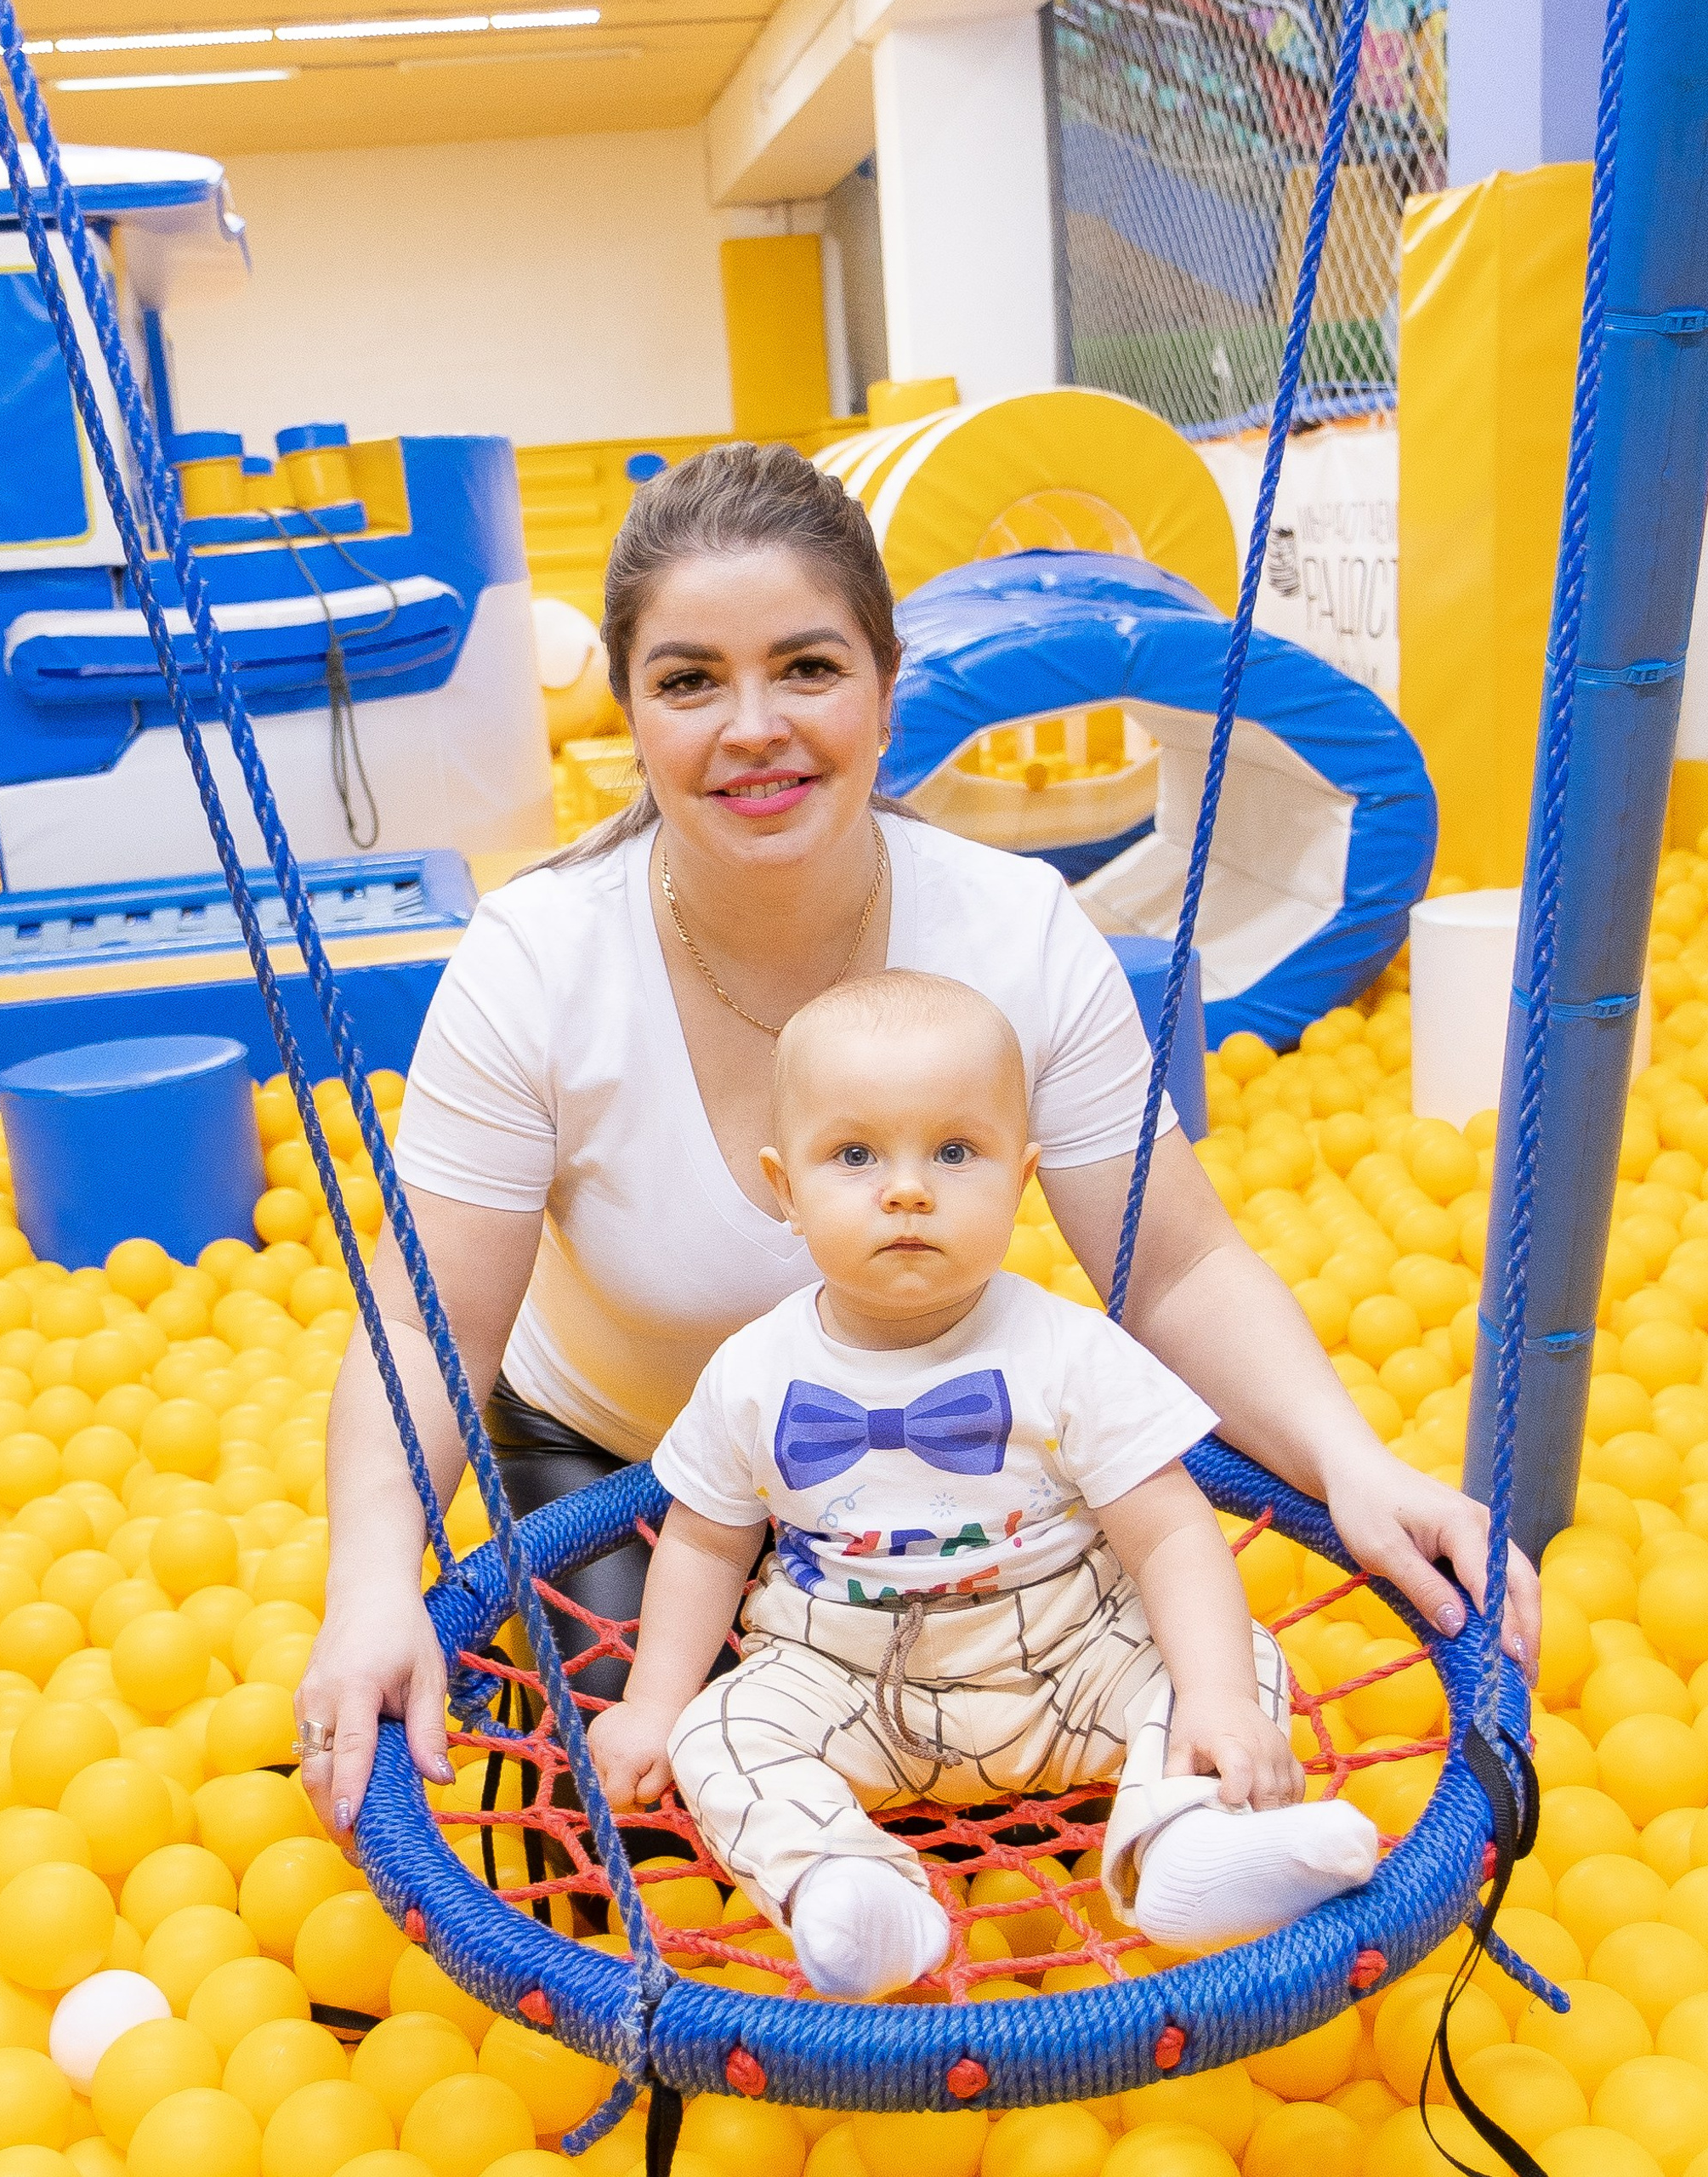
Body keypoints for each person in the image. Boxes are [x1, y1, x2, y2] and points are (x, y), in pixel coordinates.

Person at [292, 441, 1538, 1843]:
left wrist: (1349, 1461)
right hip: (629, 1465)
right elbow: (426, 1327)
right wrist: (371, 1583)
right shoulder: (540, 960)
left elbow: (1173, 1267)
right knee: (637, 1827)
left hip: (962, 1453)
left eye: (807, 668)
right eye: (690, 680)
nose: (753, 727)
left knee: (1092, 1777)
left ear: (890, 690)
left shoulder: (1011, 929)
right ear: (629, 713)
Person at [587, 970, 1380, 1998]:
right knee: (718, 1733)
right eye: (855, 1155)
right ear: (785, 1190)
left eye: (955, 1152)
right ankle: (853, 1896)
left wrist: (1220, 1700)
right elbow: (703, 1542)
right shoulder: (751, 1372)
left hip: (1068, 1663)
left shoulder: (1070, 1351)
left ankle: (1183, 1846)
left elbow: (1171, 1533)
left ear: (1021, 1178)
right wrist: (653, 1701)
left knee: (1236, 1662)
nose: (907, 1190)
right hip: (843, 1676)